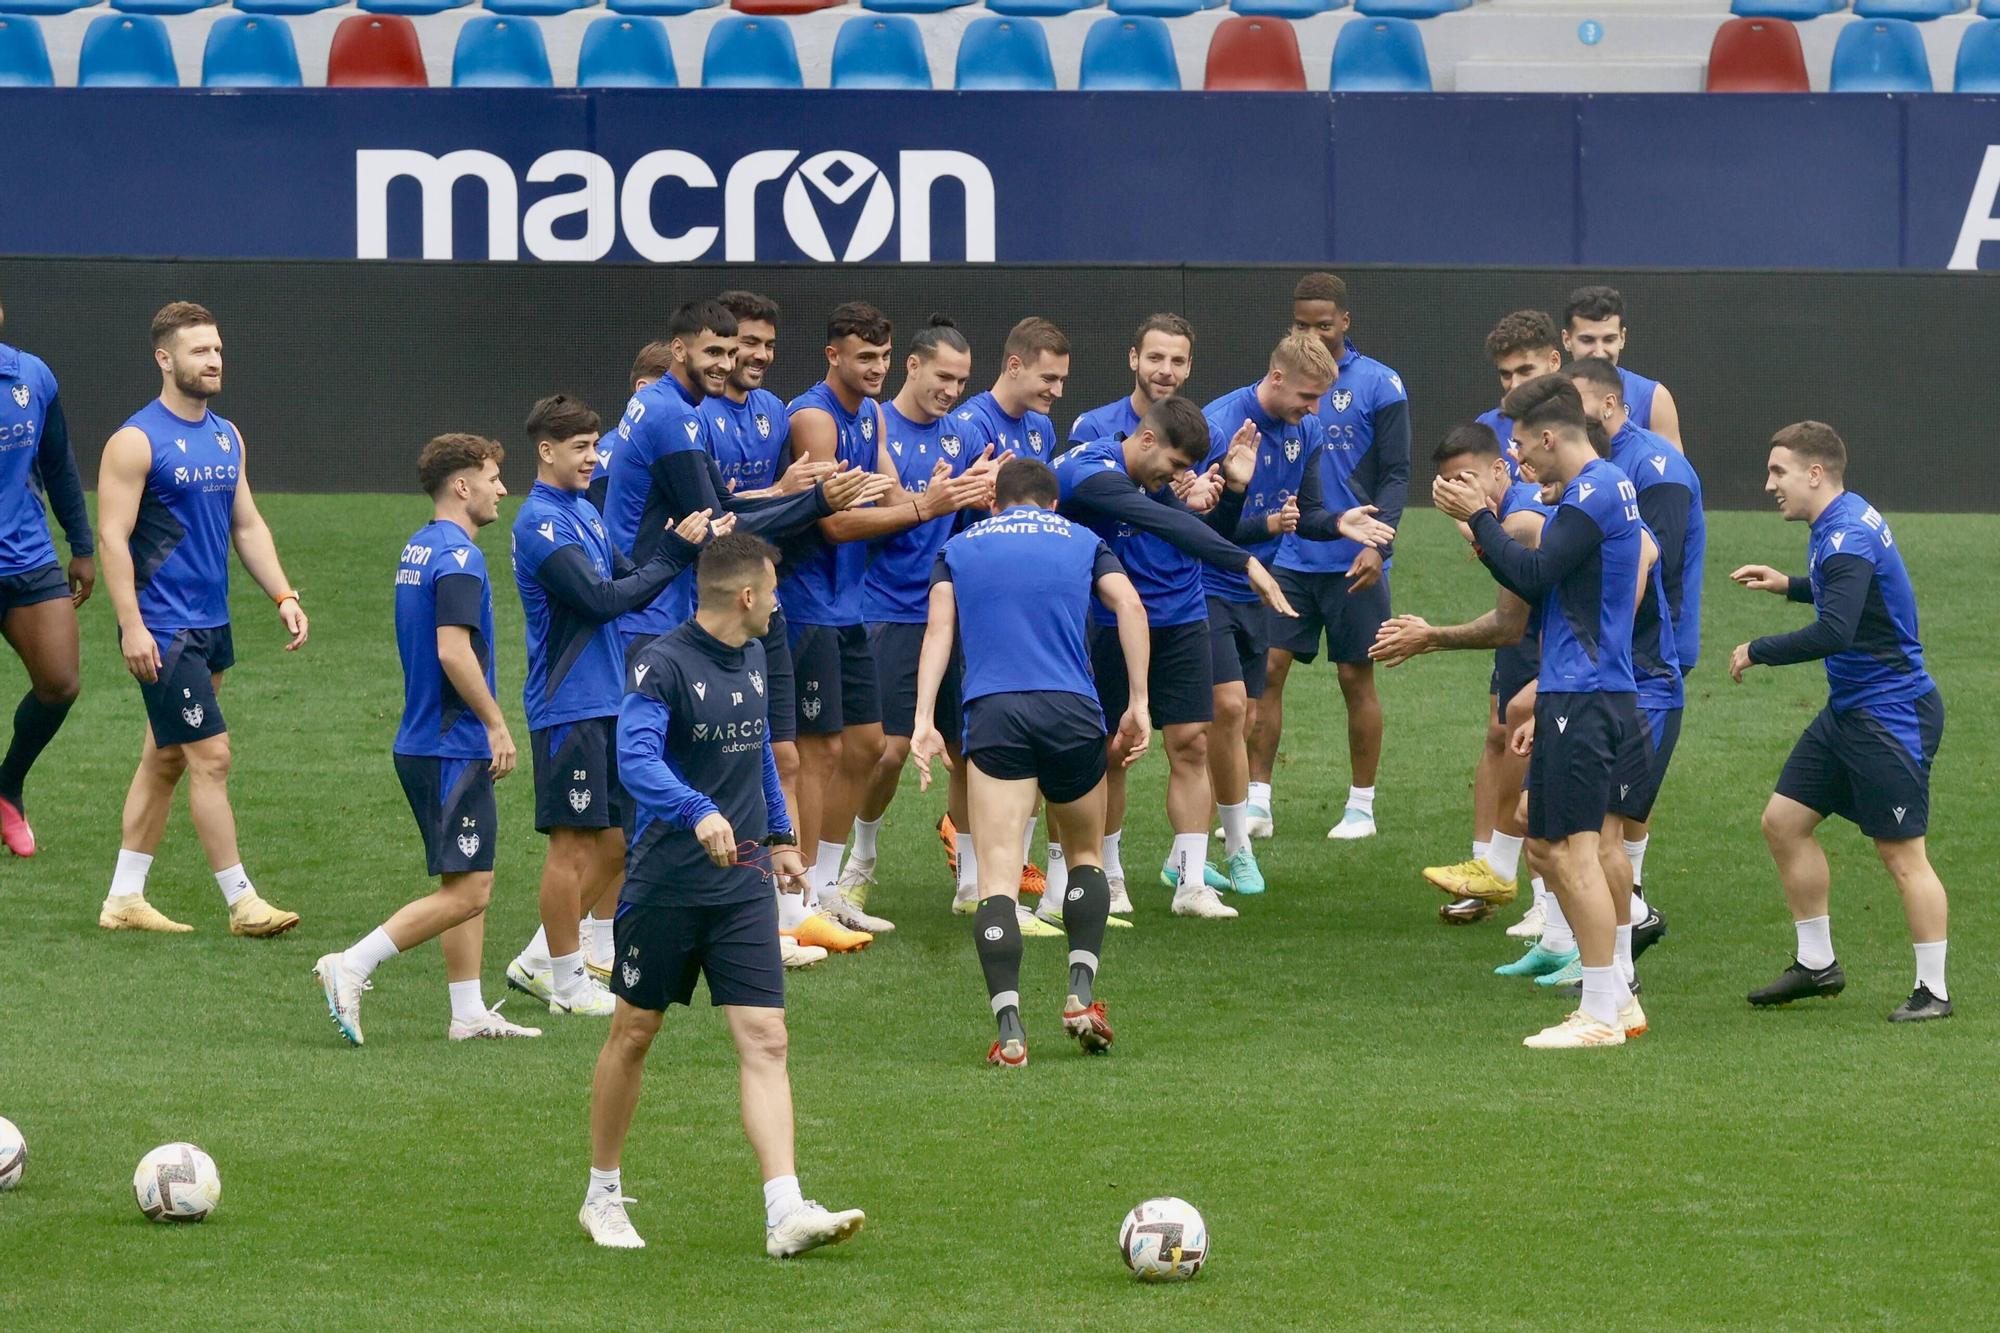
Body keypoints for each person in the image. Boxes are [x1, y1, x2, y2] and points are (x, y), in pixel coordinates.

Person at [580, 533, 865, 1255]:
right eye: (771, 589)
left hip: (741, 885)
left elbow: (756, 752)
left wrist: (779, 839)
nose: (777, 600)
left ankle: (784, 1210)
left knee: (767, 1037)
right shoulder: (662, 663)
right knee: (634, 1034)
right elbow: (635, 758)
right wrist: (697, 809)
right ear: (746, 595)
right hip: (667, 886)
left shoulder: (756, 656)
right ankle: (602, 1193)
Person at [1057, 397, 1384, 920]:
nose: (1179, 476)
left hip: (1185, 614)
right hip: (1111, 622)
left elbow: (1206, 531)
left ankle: (1190, 883)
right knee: (1111, 751)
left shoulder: (1163, 483)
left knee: (1190, 744)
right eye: (1176, 464)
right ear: (1145, 441)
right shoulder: (1088, 470)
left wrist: (1231, 492)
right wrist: (1245, 561)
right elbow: (1163, 523)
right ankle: (1110, 877)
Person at [911, 457, 1150, 1066]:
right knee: (1085, 855)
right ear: (1052, 506)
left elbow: (938, 632)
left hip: (994, 715)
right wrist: (1140, 703)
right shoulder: (1082, 539)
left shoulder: (959, 546)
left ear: (994, 502)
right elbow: (1130, 607)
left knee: (996, 874)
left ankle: (1011, 1032)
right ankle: (1080, 992)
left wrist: (923, 722)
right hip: (1072, 711)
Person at [1432, 374, 1645, 1049]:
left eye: (1524, 448)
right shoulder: (1597, 488)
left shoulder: (1596, 489)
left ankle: (1603, 1011)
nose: (1521, 462)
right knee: (1551, 846)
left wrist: (1478, 517)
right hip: (1575, 690)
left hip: (1585, 693)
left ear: (1551, 437)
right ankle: (1615, 1003)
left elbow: (1531, 577)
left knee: (1572, 851)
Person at [313, 434, 539, 1045]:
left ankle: (467, 1013)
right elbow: (452, 649)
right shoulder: (460, 558)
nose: (501, 489)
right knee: (472, 890)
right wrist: (496, 722)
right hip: (451, 743)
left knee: (465, 882)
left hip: (424, 739)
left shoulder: (419, 547)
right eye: (492, 477)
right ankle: (352, 964)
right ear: (461, 485)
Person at [504, 395, 724, 1017]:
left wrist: (685, 546)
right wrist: (673, 556)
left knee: (616, 845)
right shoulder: (540, 523)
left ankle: (542, 959)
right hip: (567, 706)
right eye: (581, 448)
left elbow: (633, 577)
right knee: (572, 848)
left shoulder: (584, 513)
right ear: (546, 450)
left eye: (596, 447)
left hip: (605, 700)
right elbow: (601, 599)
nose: (593, 459)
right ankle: (566, 982)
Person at [93, 302, 304, 937]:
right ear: (165, 359)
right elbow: (111, 537)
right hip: (163, 627)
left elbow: (247, 524)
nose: (213, 360)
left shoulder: (225, 435)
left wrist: (283, 594)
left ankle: (124, 899)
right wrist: (132, 625)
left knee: (166, 757)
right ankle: (242, 902)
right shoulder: (135, 441)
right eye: (199, 351)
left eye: (217, 349)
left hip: (210, 624)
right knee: (210, 756)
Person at [1731, 422, 1951, 1023]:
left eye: (1778, 472)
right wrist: (1791, 586)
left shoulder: (1846, 534)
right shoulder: (1840, 521)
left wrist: (1759, 648)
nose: (1768, 483)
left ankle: (1934, 991)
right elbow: (1855, 596)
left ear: (1814, 473)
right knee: (1783, 822)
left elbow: (1839, 630)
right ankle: (1817, 963)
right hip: (1852, 710)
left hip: (1890, 715)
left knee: (1902, 853)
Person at [783, 303, 988, 939]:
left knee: (868, 746)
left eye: (879, 355)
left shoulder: (868, 416)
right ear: (833, 357)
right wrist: (931, 504)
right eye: (862, 357)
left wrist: (946, 496)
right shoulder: (814, 416)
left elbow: (888, 490)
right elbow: (836, 520)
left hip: (848, 606)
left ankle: (828, 885)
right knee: (819, 756)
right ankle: (797, 900)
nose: (872, 367)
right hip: (815, 603)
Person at [843, 318, 1016, 926]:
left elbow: (971, 530)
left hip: (953, 614)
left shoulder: (962, 439)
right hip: (888, 612)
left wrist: (986, 496)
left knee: (970, 750)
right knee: (885, 752)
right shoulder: (873, 428)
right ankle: (859, 863)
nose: (952, 389)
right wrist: (925, 502)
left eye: (962, 380)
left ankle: (971, 879)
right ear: (911, 367)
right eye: (943, 376)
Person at [1251, 272, 1409, 842]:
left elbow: (1395, 474)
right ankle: (1256, 802)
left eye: (1324, 323)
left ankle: (1361, 806)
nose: (1313, 332)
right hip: (1290, 557)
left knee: (1354, 675)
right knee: (1267, 671)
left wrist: (1378, 540)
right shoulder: (1281, 384)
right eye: (1301, 324)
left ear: (1345, 321)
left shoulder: (1381, 384)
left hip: (1354, 559)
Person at [1373, 422, 1550, 926]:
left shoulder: (1520, 519)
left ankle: (1550, 906)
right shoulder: (1498, 517)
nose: (1455, 491)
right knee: (1505, 731)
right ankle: (1496, 878)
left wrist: (1429, 637)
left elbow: (1508, 624)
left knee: (1543, 773)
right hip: (1540, 640)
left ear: (1502, 469)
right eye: (1447, 483)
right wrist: (1478, 534)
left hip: (1560, 647)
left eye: (1466, 479)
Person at [1564, 356, 1706, 952]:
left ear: (1608, 405)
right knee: (1603, 812)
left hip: (1650, 654)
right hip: (1616, 650)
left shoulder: (1658, 467)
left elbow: (1657, 559)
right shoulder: (1600, 461)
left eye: (1571, 406)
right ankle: (1607, 933)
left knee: (1607, 817)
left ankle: (1624, 930)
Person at [1197, 332, 1343, 895]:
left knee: (1243, 720)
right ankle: (1236, 848)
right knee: (1228, 708)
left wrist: (1340, 524)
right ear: (1275, 378)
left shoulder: (1304, 431)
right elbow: (1203, 530)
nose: (1314, 409)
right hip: (1206, 583)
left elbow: (1305, 514)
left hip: (1257, 588)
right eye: (1307, 396)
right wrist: (1264, 529)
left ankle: (1188, 851)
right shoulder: (1219, 425)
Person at [942, 317, 1072, 901]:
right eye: (1048, 377)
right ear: (1014, 365)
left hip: (1027, 604)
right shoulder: (968, 425)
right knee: (974, 742)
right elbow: (957, 514)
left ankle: (1006, 863)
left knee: (1029, 737)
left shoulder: (1041, 428)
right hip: (980, 602)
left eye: (1062, 380)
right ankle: (973, 874)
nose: (1056, 391)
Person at [0, 302, 94, 856]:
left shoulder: (31, 376)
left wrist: (81, 545)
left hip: (28, 559)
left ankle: (7, 787)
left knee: (59, 684)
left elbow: (58, 463)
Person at [1561, 286, 1683, 450]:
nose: (1599, 352)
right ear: (1567, 340)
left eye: (1609, 339)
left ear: (1622, 338)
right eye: (1587, 340)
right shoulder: (1549, 397)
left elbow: (1672, 470)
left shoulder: (1653, 398)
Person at [1066, 314, 1196, 450]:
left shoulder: (1204, 435)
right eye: (1155, 358)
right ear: (1134, 358)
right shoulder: (1095, 428)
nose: (1166, 370)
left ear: (1188, 367)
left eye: (1177, 361)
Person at [1476, 310, 1564, 480]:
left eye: (1525, 371)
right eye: (1506, 374)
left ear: (1554, 361)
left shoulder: (1584, 426)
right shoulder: (1486, 429)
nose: (1514, 384)